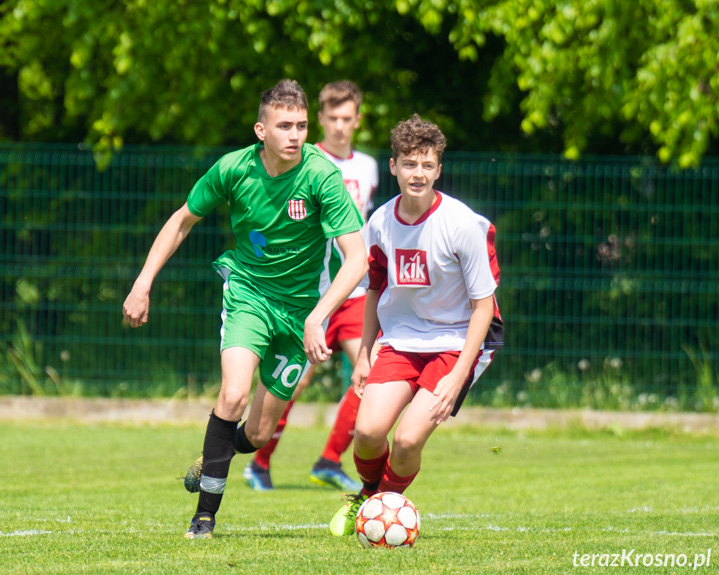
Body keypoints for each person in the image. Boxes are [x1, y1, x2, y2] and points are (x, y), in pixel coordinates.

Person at [122, 79, 367, 539]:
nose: (295, 135)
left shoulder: (321, 176)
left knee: (256, 434)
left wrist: (318, 315)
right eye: (284, 126)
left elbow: (356, 258)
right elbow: (182, 221)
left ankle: (214, 453)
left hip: (300, 314)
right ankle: (203, 517)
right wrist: (143, 282)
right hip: (248, 295)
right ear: (261, 130)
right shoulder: (233, 169)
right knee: (232, 394)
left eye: (301, 126)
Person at [328, 114, 504, 536]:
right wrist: (365, 353)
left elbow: (484, 308)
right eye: (409, 164)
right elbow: (373, 290)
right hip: (402, 339)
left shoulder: (464, 225)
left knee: (407, 440)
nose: (418, 173)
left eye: (427, 165)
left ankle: (376, 511)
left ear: (438, 170)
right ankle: (374, 502)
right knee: (367, 432)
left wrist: (459, 375)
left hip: (458, 341)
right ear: (393, 167)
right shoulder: (380, 223)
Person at [242, 81, 378, 493]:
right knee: (294, 382)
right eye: (332, 118)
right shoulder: (304, 159)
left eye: (347, 118)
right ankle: (259, 462)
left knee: (367, 375)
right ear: (320, 119)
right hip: (309, 293)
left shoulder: (369, 167)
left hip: (352, 294)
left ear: (357, 120)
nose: (340, 126)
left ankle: (328, 460)